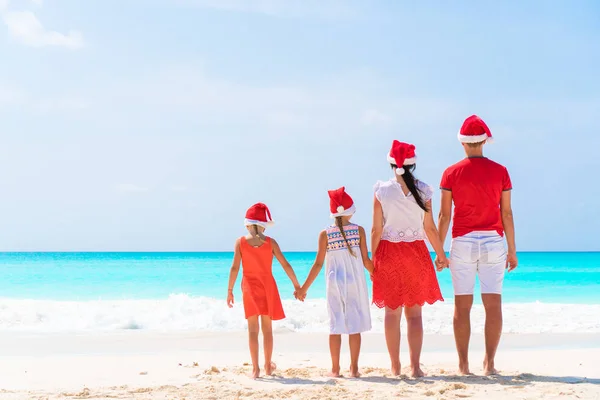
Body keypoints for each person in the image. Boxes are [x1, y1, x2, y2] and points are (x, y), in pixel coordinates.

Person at [437, 115, 518, 376]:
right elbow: (506, 214)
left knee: (462, 306)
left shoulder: (451, 172)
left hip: (462, 242)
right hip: (494, 242)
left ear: (462, 143)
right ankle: (489, 364)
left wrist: (439, 250)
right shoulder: (501, 171)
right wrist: (513, 250)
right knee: (493, 305)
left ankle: (463, 365)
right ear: (484, 141)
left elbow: (444, 216)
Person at [371, 140, 448, 378]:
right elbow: (430, 229)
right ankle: (415, 367)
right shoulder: (424, 190)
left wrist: (371, 260)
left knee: (392, 313)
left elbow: (376, 230)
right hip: (416, 253)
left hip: (389, 253)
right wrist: (441, 254)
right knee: (415, 315)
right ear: (413, 165)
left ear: (391, 164)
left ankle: (395, 366)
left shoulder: (382, 191)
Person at [297, 187, 373, 378]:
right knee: (354, 325)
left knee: (335, 324)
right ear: (351, 210)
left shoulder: (325, 234)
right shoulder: (359, 231)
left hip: (334, 283)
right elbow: (366, 261)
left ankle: (335, 369)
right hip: (354, 282)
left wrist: (303, 289)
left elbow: (318, 264)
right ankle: (354, 368)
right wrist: (378, 276)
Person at [227, 203, 302, 379]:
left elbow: (234, 268)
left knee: (252, 329)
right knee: (267, 329)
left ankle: (255, 369)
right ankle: (268, 366)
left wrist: (230, 290)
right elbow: (286, 264)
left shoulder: (240, 242)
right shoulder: (270, 242)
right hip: (268, 286)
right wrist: (296, 285)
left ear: (247, 224)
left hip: (249, 287)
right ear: (264, 225)